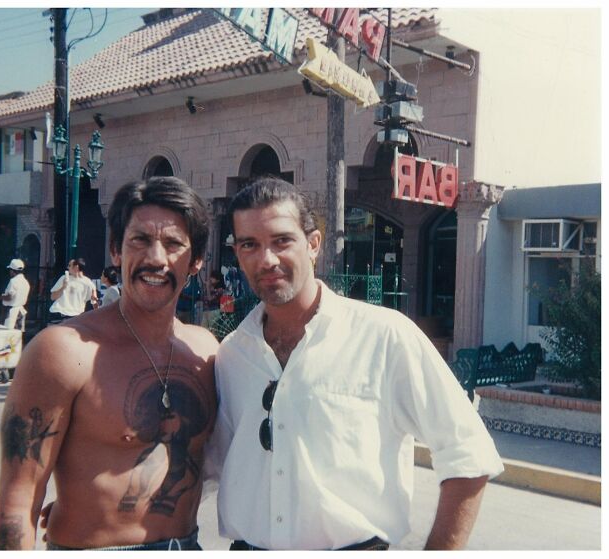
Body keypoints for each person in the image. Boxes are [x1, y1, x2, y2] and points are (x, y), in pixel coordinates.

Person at [205, 176, 504, 551]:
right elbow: (208, 467)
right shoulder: (232, 355)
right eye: (250, 245)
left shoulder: (383, 336)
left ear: (313, 245)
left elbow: (468, 453)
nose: (266, 259)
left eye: (282, 241)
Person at [0, 177, 218, 550]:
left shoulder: (206, 352)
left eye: (174, 244)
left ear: (194, 262)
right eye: (139, 240)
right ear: (116, 250)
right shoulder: (63, 351)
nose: (156, 259)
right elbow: (17, 502)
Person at [48, 257, 99, 323]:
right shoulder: (64, 278)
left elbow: (94, 303)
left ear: (76, 267)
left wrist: (94, 299)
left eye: (69, 265)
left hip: (76, 317)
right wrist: (63, 287)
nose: (67, 267)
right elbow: (52, 297)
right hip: (59, 313)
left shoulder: (89, 283)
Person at [0, 258, 30, 330]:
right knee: (18, 335)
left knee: (8, 335)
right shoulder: (25, 282)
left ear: (12, 270)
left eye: (10, 270)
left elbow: (9, 297)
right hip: (21, 311)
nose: (9, 272)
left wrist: (0, 297)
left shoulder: (13, 281)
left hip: (12, 312)